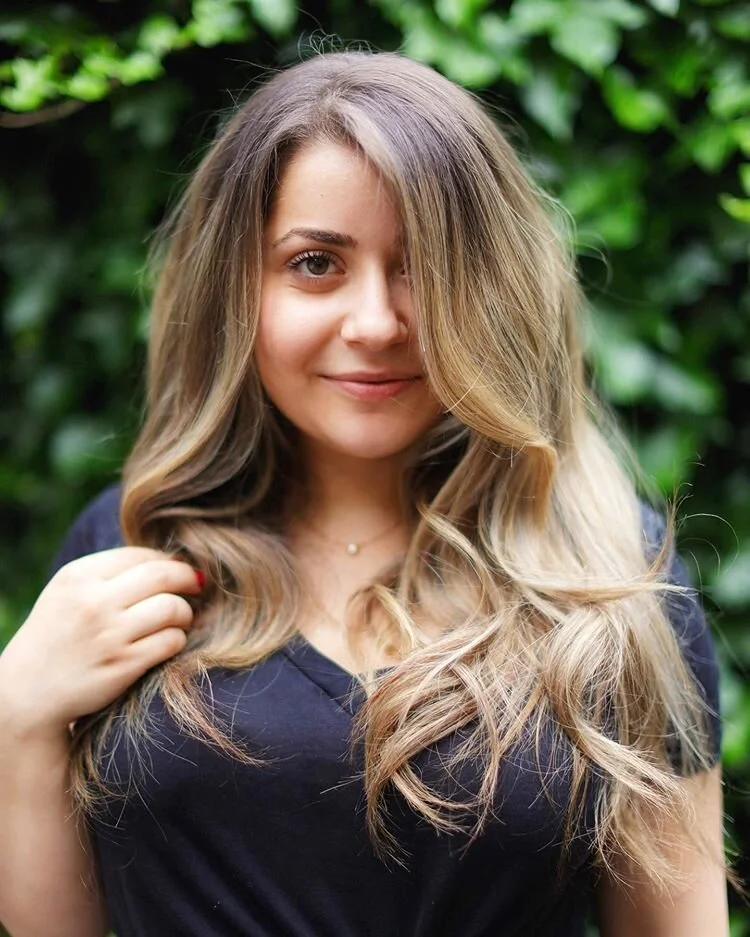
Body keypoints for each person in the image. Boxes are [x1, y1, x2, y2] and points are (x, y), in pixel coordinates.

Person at [0, 50, 729, 937]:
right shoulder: (131, 548)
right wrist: (19, 714)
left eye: (424, 264)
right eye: (315, 263)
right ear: (236, 288)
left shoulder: (617, 579)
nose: (377, 322)